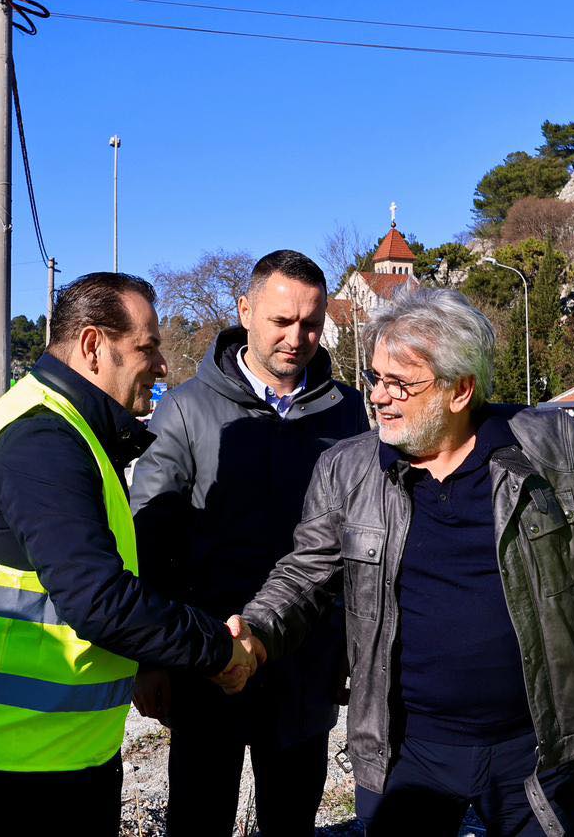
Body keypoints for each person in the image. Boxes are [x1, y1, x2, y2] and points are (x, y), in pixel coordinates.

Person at [238, 286, 574, 837]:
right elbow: (304, 576)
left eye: (401, 383)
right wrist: (256, 628)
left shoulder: (545, 447)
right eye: (376, 378)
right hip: (405, 749)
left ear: (460, 390)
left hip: (531, 749)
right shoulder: (347, 470)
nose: (378, 396)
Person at [0, 272, 263, 836]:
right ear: (93, 346)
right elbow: (100, 601)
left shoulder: (66, 429)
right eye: (146, 347)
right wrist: (220, 650)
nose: (161, 365)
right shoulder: (44, 442)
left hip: (34, 759)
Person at [130, 249, 368, 835]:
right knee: (199, 817)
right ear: (245, 311)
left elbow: (363, 545)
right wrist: (152, 660)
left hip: (305, 663)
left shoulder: (351, 416)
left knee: (291, 821)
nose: (297, 337)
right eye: (281, 321)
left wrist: (351, 649)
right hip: (207, 660)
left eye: (311, 323)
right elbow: (149, 538)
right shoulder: (187, 409)